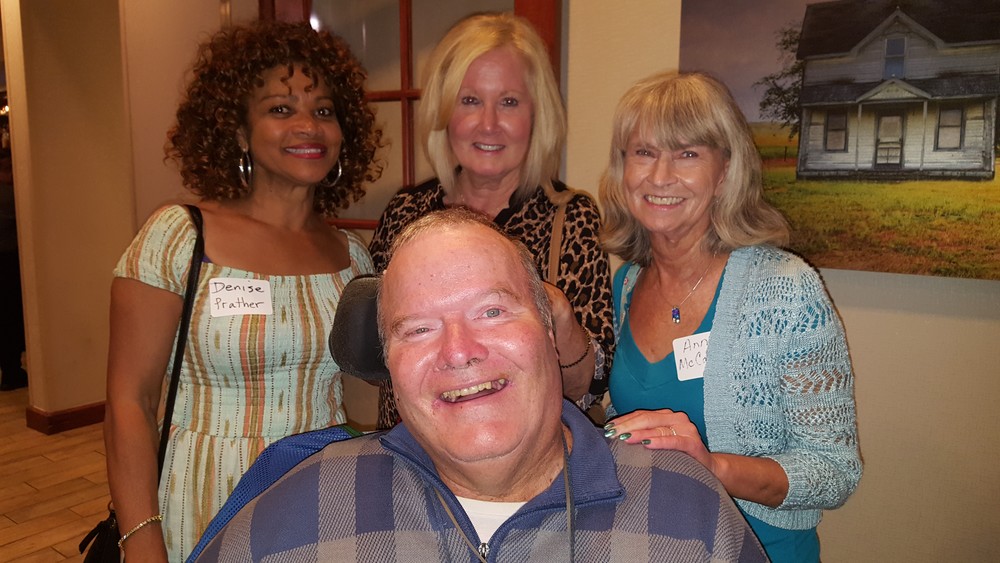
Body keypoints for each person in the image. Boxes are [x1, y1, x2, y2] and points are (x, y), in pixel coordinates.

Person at [193, 208, 767, 562]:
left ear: (549, 329)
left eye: (492, 312)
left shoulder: (685, 512)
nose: (459, 350)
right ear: (388, 365)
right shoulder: (305, 504)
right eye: (418, 329)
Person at [103, 21, 383, 562]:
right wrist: (141, 541)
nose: (308, 126)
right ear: (237, 131)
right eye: (280, 108)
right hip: (201, 498)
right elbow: (128, 402)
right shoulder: (180, 236)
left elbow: (362, 406)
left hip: (317, 500)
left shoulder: (352, 258)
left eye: (324, 110)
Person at [598, 71, 862, 562]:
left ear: (724, 171)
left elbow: (835, 472)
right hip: (654, 544)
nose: (660, 176)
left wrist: (711, 465)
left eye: (687, 154)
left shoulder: (786, 289)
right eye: (644, 152)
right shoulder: (627, 283)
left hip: (762, 550)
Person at [368, 12, 613, 430]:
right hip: (412, 449)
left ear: (537, 115)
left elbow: (583, 388)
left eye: (509, 102)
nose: (488, 124)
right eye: (470, 101)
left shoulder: (569, 219)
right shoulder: (406, 213)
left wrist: (556, 314)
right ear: (444, 111)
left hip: (524, 456)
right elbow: (378, 361)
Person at [0, 151, 27, 391]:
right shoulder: (10, 197)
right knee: (11, 319)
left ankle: (9, 370)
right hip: (8, 264)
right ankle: (12, 372)